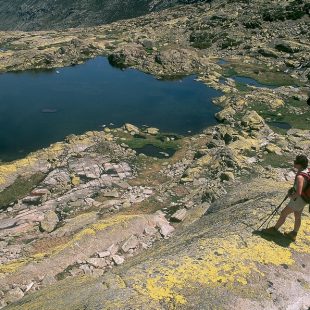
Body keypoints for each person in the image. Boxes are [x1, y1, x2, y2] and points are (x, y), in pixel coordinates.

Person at [264, 154, 309, 241]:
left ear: (300, 164)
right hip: (305, 199)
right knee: (298, 215)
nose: (294, 163)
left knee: (284, 213)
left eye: (296, 162)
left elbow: (298, 193)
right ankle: (294, 234)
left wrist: (290, 196)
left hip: (298, 200)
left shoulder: (300, 177)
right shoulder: (307, 171)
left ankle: (274, 230)